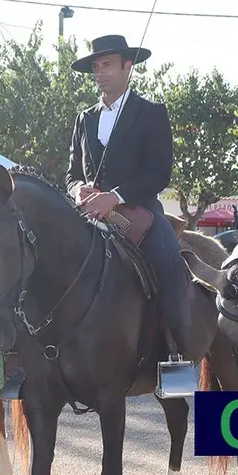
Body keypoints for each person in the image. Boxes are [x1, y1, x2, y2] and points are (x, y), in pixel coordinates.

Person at [65, 34, 191, 362]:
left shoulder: (151, 113)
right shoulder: (84, 118)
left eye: (106, 64)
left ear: (127, 66)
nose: (100, 72)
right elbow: (71, 173)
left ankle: (174, 352)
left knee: (168, 263)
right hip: (87, 213)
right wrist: (77, 188)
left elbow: (158, 173)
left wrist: (115, 197)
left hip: (139, 213)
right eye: (96, 66)